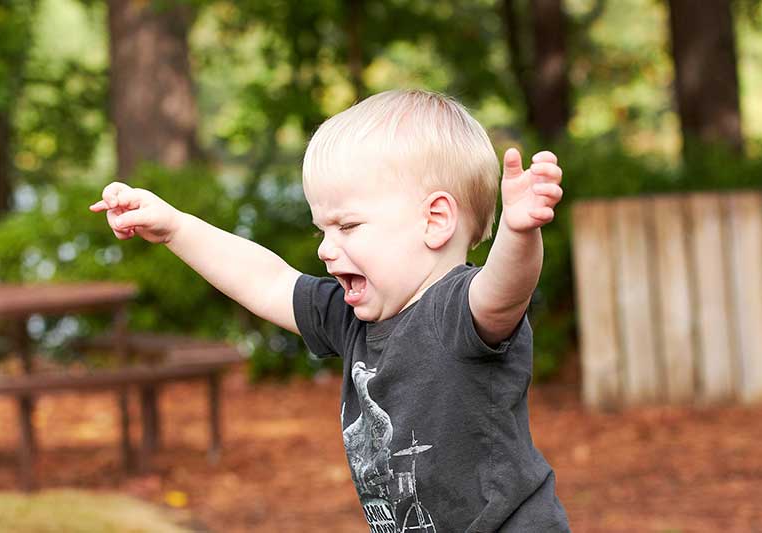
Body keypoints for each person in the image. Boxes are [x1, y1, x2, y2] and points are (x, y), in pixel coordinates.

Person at [90, 89, 569, 532]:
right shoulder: (352, 318)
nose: (325, 248)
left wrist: (519, 232)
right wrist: (175, 228)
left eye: (348, 226)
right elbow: (267, 280)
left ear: (436, 220)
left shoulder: (458, 311)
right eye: (322, 228)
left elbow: (506, 289)